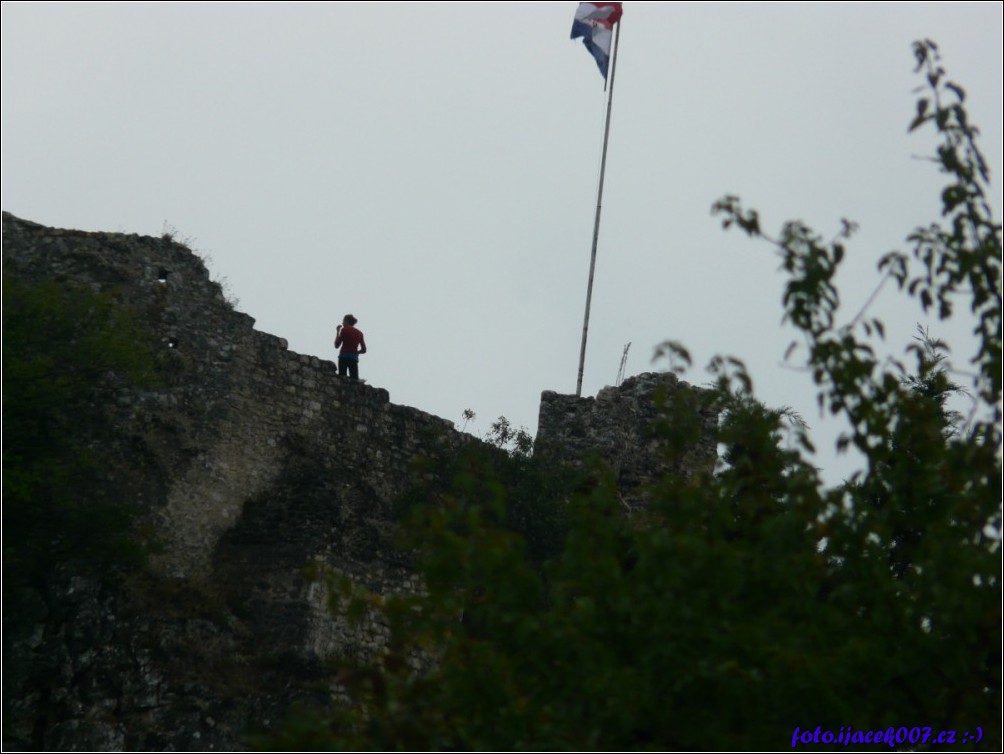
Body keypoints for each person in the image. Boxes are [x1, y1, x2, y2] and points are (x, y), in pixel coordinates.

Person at [334, 314, 367, 380]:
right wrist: (357, 352)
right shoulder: (360, 333)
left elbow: (337, 345)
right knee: (354, 379)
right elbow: (364, 350)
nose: (342, 323)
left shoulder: (344, 330)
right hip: (354, 358)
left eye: (343, 321)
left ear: (347, 321)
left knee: (342, 378)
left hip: (344, 356)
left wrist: (338, 332)